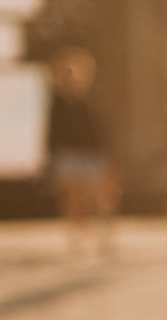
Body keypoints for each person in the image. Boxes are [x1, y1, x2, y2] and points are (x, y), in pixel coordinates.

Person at [43, 47, 119, 262]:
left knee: (100, 197)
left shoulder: (93, 98)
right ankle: (76, 237)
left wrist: (108, 156)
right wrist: (52, 157)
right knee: (72, 196)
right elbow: (52, 132)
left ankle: (104, 235)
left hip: (93, 155)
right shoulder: (58, 102)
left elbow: (103, 130)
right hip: (69, 154)